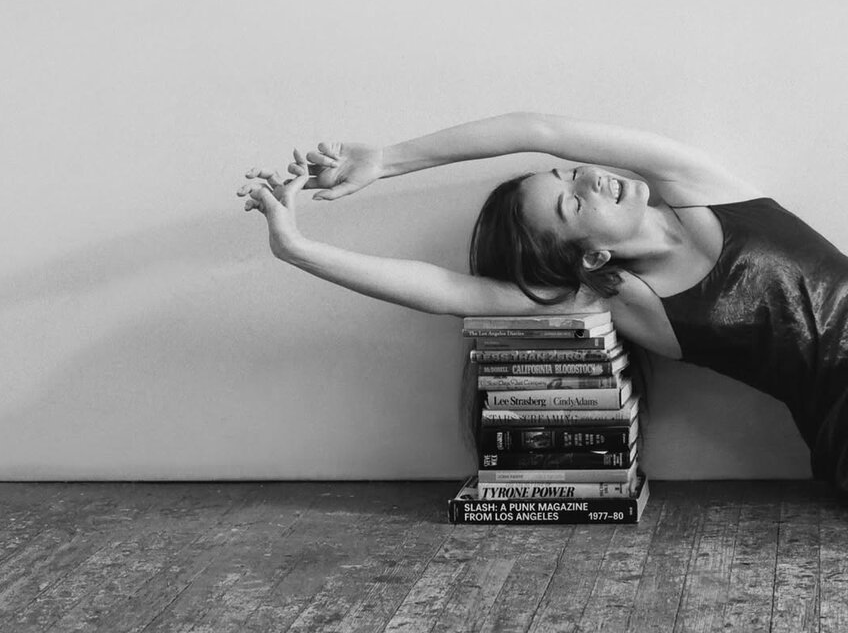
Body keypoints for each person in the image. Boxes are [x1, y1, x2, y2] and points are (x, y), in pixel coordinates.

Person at [237, 111, 848, 491]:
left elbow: (538, 130)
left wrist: (387, 161)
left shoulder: (699, 187)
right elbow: (448, 292)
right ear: (592, 257)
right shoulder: (622, 300)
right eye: (575, 204)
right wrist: (296, 249)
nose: (592, 179)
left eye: (570, 175)